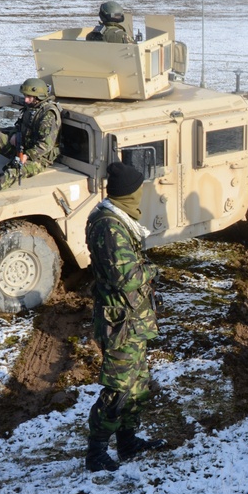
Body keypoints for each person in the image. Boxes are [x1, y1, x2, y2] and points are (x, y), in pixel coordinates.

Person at [84, 162, 167, 472]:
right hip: (120, 323)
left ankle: (128, 442)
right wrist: (152, 270)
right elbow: (124, 277)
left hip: (133, 318)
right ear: (129, 194)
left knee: (138, 384)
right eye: (139, 191)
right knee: (118, 388)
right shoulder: (109, 225)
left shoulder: (119, 220)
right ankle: (97, 452)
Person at [0, 78, 62, 203]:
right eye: (25, 96)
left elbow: (45, 145)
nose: (26, 100)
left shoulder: (48, 115)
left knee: (16, 171)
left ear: (39, 96)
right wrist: (13, 135)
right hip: (22, 145)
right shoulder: (31, 108)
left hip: (39, 157)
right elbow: (19, 125)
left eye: (29, 97)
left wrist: (27, 156)